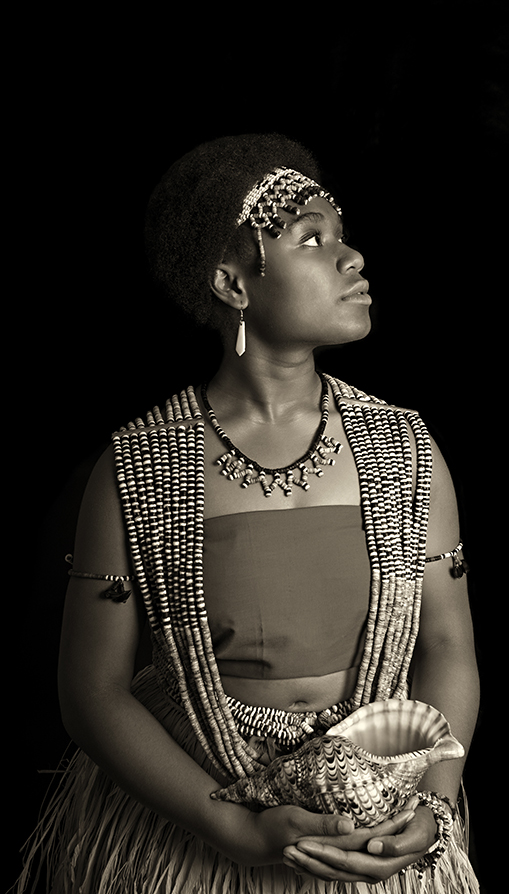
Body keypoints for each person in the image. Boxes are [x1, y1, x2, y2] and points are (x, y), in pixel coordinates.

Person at [18, 134, 482, 892]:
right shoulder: (137, 467)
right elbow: (91, 694)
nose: (352, 257)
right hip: (188, 828)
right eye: (312, 240)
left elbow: (447, 648)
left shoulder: (407, 450)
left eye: (343, 237)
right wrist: (228, 825)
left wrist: (432, 806)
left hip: (374, 822)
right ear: (233, 284)